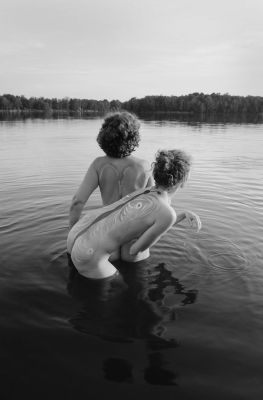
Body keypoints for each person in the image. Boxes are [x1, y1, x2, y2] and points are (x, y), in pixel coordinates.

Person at [67, 149, 201, 279]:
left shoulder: (146, 191)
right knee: (120, 291)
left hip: (77, 234)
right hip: (89, 253)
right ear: (182, 181)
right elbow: (134, 250)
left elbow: (160, 218)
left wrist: (182, 215)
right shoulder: (167, 214)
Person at [69, 111, 154, 229]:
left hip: (107, 233)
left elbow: (77, 201)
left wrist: (72, 233)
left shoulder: (98, 164)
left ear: (105, 137)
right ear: (134, 138)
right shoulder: (144, 166)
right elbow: (155, 204)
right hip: (135, 232)